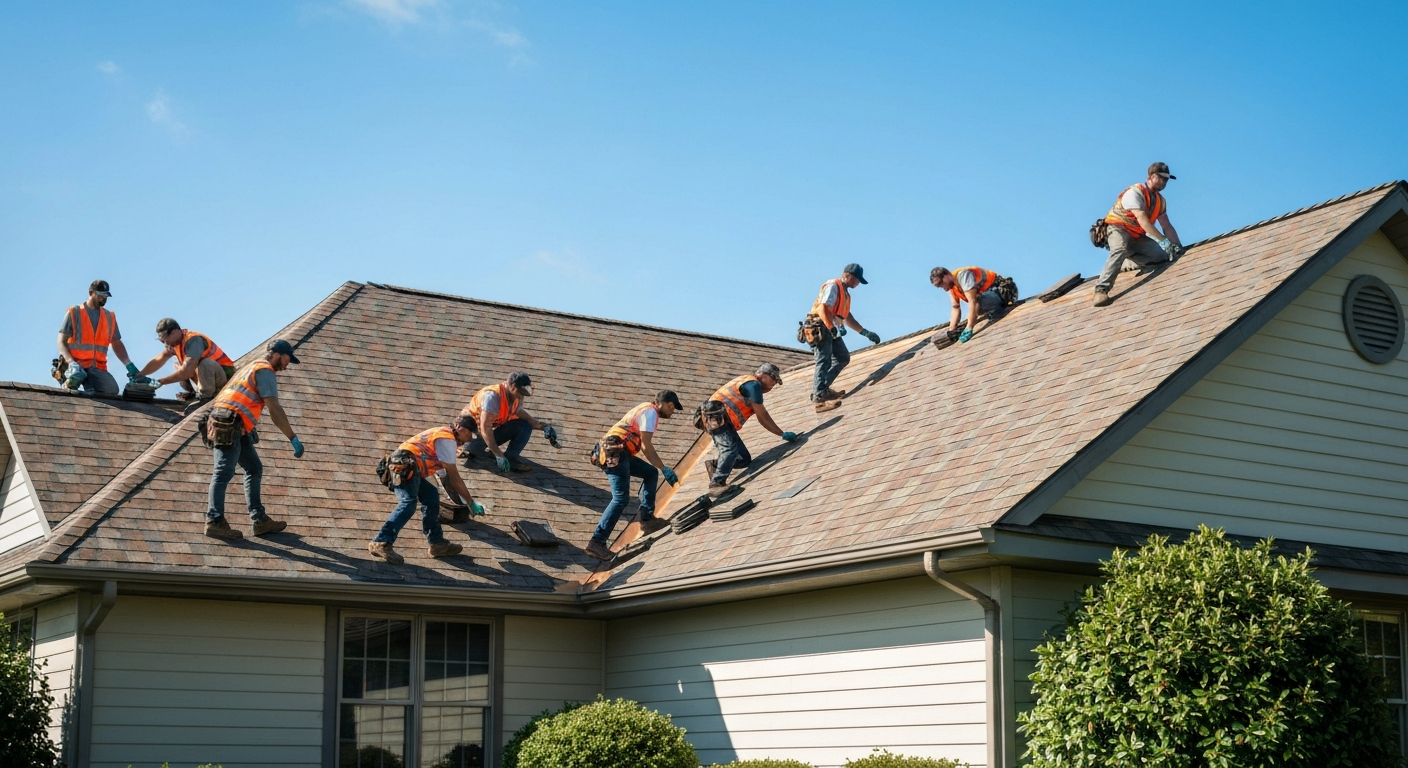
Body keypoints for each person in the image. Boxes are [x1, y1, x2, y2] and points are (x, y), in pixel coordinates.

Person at [203, 339, 306, 541]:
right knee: (223, 471)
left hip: (232, 423)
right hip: (228, 422)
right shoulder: (265, 370)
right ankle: (214, 520)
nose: (287, 366)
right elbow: (274, 408)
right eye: (287, 360)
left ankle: (259, 520)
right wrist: (292, 437)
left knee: (254, 468)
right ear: (277, 354)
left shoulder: (249, 367)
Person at [368, 415, 483, 564]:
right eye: (469, 434)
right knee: (408, 502)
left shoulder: (445, 443)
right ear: (459, 427)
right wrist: (470, 502)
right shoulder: (447, 439)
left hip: (409, 468)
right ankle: (381, 542)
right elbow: (454, 476)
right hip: (404, 465)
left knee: (431, 496)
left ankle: (437, 544)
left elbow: (446, 478)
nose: (469, 440)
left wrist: (463, 502)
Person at [585, 390, 685, 561]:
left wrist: (658, 469)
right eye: (672, 408)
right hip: (614, 453)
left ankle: (647, 519)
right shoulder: (651, 412)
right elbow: (646, 446)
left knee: (649, 473)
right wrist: (664, 468)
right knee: (620, 499)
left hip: (618, 452)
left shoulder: (645, 408)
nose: (672, 412)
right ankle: (597, 542)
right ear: (668, 404)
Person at [1095, 162, 1184, 307]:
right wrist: (1164, 241)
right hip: (1118, 229)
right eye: (1161, 178)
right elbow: (1143, 220)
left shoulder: (1160, 201)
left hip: (1136, 236)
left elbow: (1166, 225)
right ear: (1151, 176)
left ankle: (1136, 263)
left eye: (1167, 180)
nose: (1164, 182)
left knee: (1162, 256)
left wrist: (1177, 246)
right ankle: (1101, 290)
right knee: (1120, 249)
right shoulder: (1135, 192)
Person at [706, 363, 797, 495]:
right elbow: (763, 416)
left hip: (721, 420)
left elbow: (761, 417)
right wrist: (781, 434)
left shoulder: (749, 384)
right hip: (715, 416)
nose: (774, 384)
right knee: (730, 450)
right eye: (773, 380)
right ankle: (716, 484)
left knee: (743, 459)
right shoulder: (753, 385)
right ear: (762, 375)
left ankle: (716, 466)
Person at [806, 264, 880, 413]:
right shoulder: (834, 285)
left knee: (842, 358)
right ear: (849, 275)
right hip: (819, 326)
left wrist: (864, 332)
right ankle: (819, 400)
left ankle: (823, 389)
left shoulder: (846, 294)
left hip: (829, 328)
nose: (858, 283)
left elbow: (846, 317)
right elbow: (822, 308)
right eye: (857, 280)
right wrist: (831, 327)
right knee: (823, 360)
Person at [460, 371, 557, 473]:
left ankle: (511, 458)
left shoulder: (516, 395)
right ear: (513, 387)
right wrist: (498, 455)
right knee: (475, 450)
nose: (521, 397)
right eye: (520, 394)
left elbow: (520, 413)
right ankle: (478, 450)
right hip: (469, 435)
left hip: (485, 433)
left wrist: (544, 427)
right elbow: (485, 428)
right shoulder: (493, 397)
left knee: (524, 426)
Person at [56, 280, 139, 395]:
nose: (104, 298)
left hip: (96, 368)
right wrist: (71, 362)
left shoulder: (109, 317)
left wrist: (129, 364)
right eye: (100, 295)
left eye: (106, 296)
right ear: (91, 293)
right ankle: (69, 385)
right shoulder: (74, 312)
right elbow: (61, 341)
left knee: (112, 391)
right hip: (75, 366)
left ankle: (90, 387)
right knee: (75, 380)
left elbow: (116, 343)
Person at [137, 318, 237, 402]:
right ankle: (195, 394)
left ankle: (204, 398)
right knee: (177, 365)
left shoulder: (194, 340)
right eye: (162, 341)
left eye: (165, 339)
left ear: (175, 332)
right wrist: (140, 375)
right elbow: (159, 360)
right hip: (208, 383)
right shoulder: (174, 345)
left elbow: (186, 372)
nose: (165, 344)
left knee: (204, 364)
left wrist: (159, 382)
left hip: (225, 381)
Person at [929, 266, 1011, 344]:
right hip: (989, 298)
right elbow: (955, 307)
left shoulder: (963, 275)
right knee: (975, 311)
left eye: (941, 284)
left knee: (978, 302)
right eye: (939, 287)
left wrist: (969, 327)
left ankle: (998, 312)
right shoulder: (951, 287)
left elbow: (973, 301)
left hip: (1004, 291)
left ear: (946, 275)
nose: (944, 288)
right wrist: (951, 330)